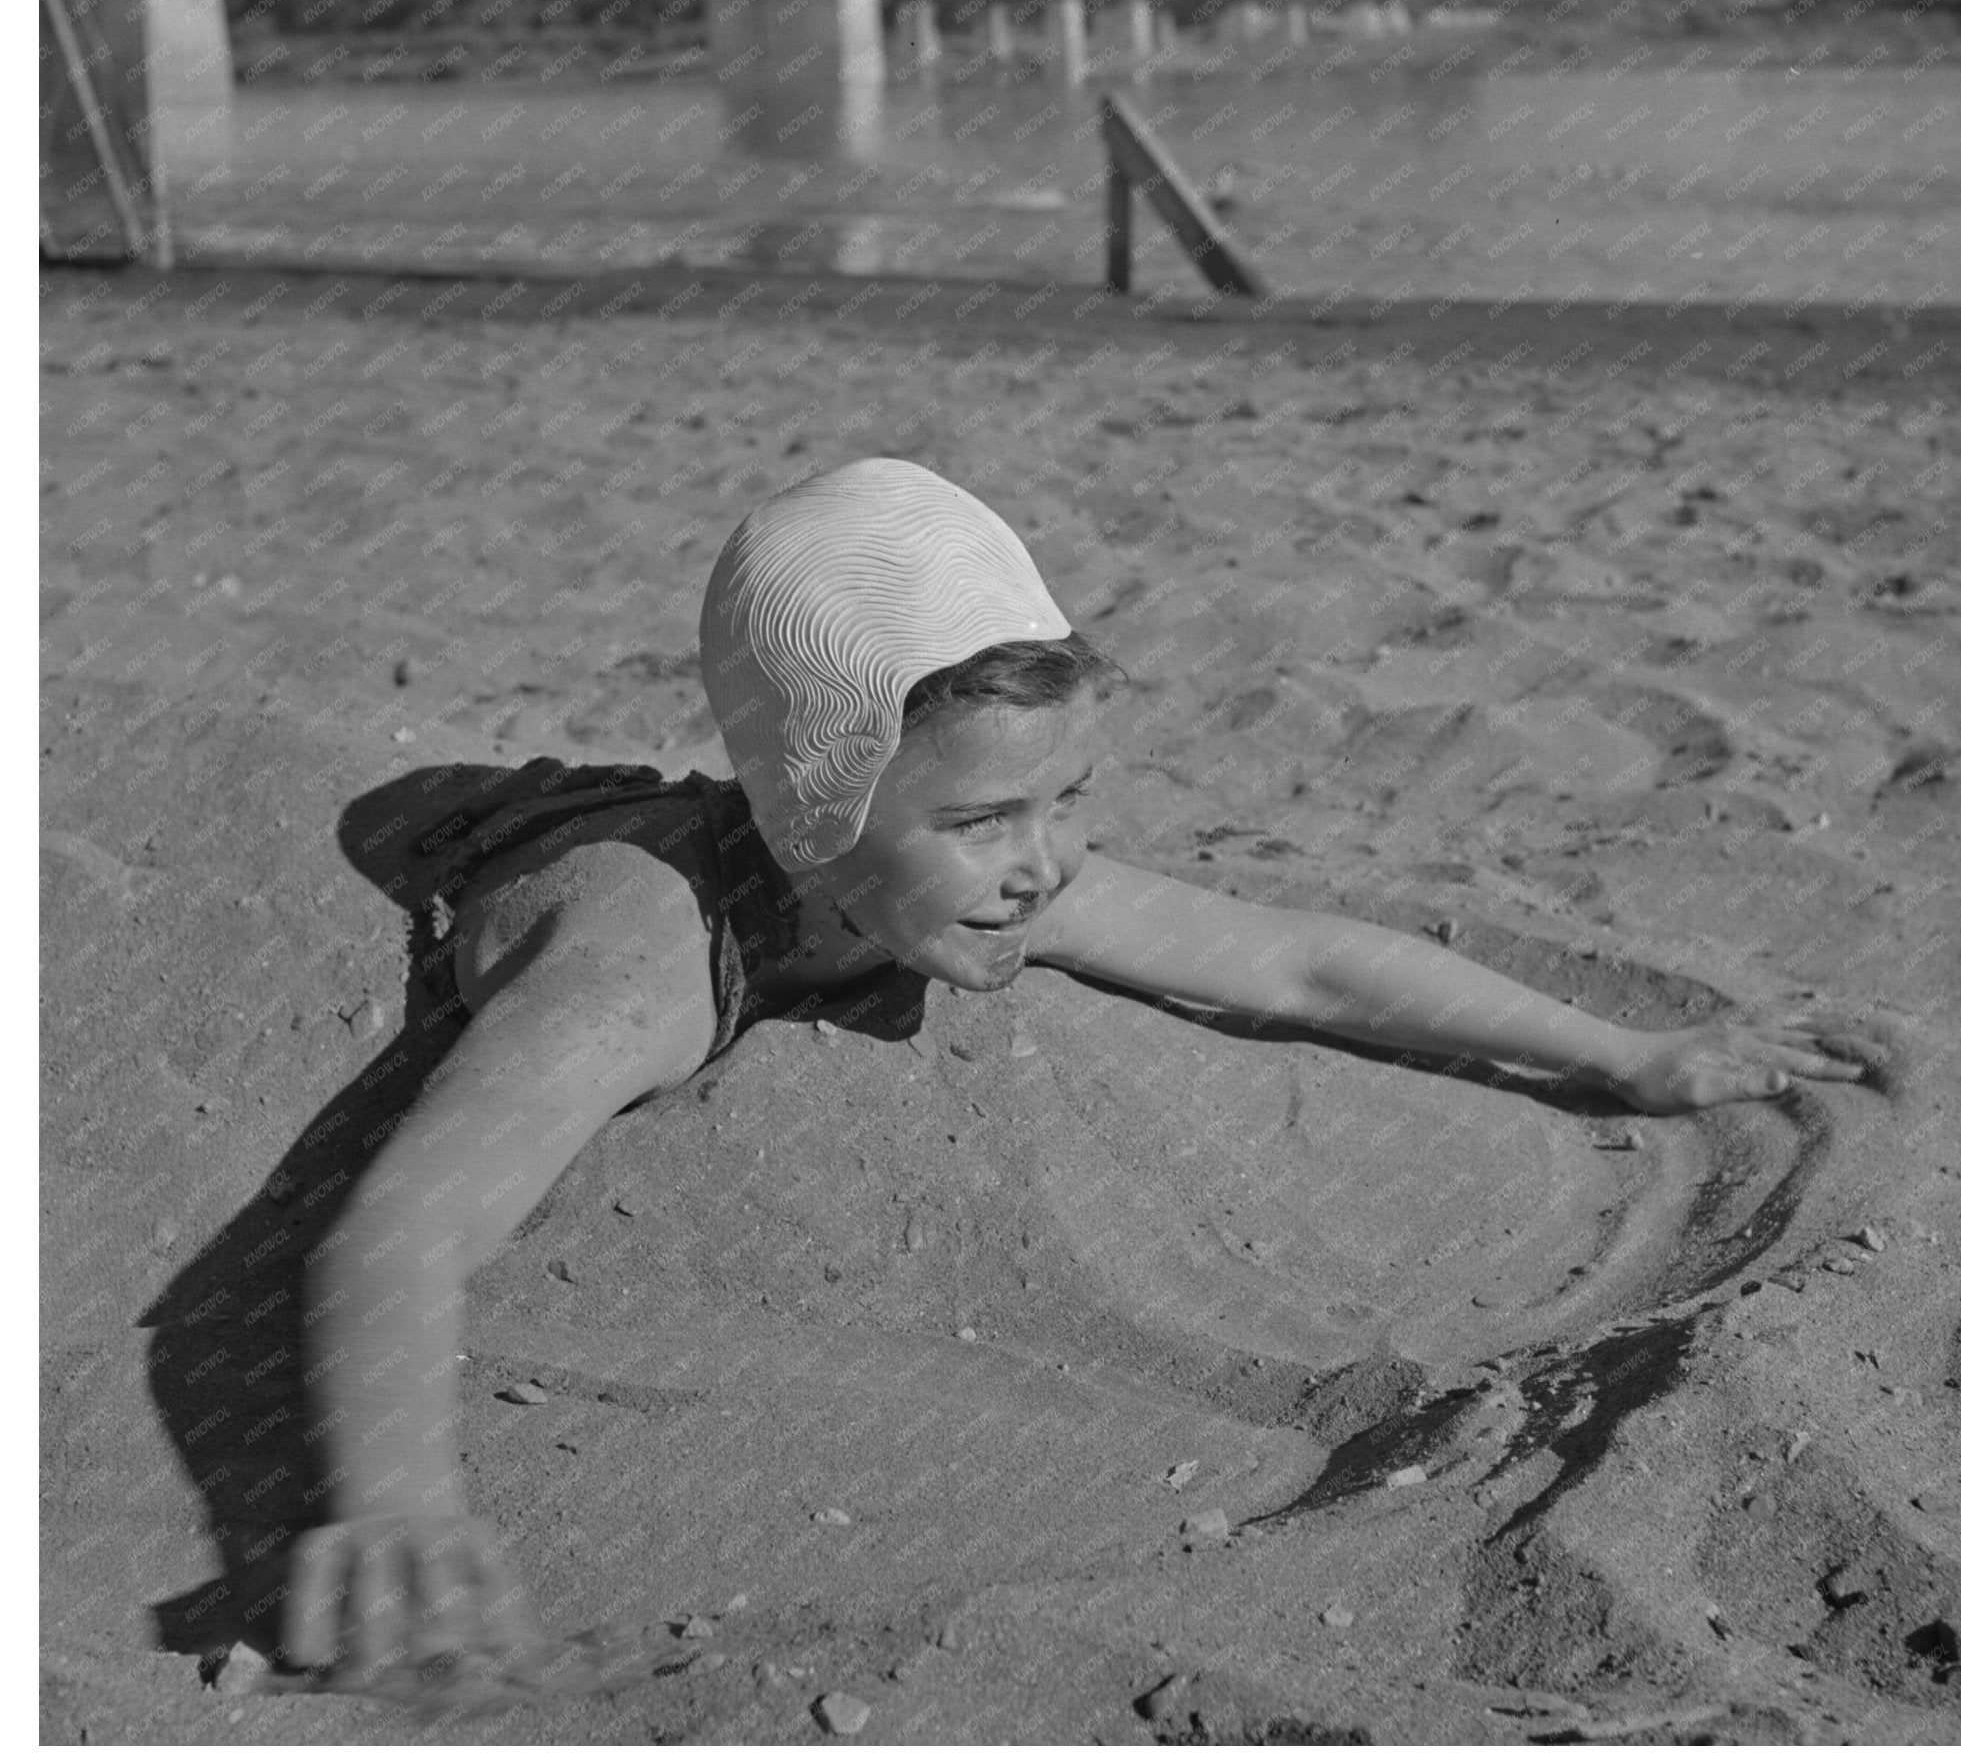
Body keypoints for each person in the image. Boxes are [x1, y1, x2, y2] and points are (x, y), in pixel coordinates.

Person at [283, 457, 1867, 1694]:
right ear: (815, 812)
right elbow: (403, 1230)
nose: (1045, 869)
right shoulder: (633, 981)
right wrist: (397, 1501)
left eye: (1072, 799)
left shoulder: (963, 876)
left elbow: (1300, 962)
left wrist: (1632, 1055)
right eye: (984, 822)